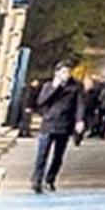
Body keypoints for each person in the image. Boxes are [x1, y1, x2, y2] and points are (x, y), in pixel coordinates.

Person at [29, 61, 85, 193]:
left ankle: (50, 179)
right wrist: (55, 87)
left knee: (58, 156)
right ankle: (36, 180)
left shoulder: (76, 86)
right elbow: (41, 102)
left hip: (65, 124)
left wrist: (79, 120)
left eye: (68, 72)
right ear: (57, 73)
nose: (66, 75)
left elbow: (80, 104)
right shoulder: (49, 85)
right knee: (42, 154)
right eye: (63, 72)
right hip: (48, 123)